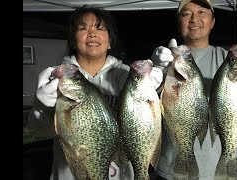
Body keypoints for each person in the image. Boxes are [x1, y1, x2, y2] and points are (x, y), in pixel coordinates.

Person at [27, 5, 163, 180]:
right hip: (71, 174)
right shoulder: (56, 79)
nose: (92, 33)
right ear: (73, 41)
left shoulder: (126, 76)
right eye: (83, 28)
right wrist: (41, 107)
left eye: (99, 28)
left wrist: (157, 83)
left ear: (110, 42)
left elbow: (150, 122)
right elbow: (41, 129)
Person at [150, 0, 237, 179]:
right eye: (186, 14)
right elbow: (148, 106)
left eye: (202, 12)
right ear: (179, 23)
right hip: (171, 168)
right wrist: (154, 75)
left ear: (213, 22)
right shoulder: (165, 60)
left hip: (225, 167)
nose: (194, 18)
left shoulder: (227, 59)